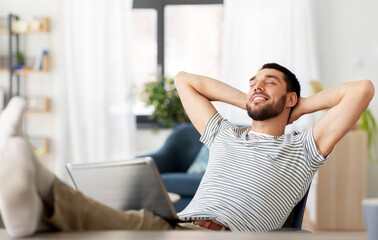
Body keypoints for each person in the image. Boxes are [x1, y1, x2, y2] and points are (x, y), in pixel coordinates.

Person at [0, 63, 374, 237]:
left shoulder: (304, 148)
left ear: (290, 96)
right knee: (102, 223)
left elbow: (361, 89)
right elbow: (185, 81)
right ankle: (32, 199)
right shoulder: (226, 134)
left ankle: (33, 188)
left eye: (269, 83)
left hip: (220, 234)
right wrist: (250, 99)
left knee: (110, 226)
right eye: (252, 82)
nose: (257, 86)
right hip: (179, 224)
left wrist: (298, 108)